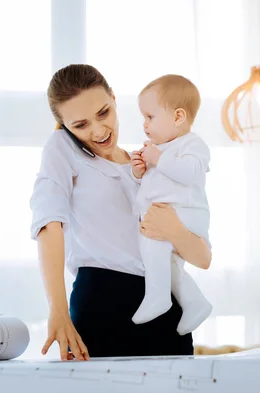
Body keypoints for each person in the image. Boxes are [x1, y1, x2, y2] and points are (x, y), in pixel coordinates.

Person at [29, 64, 212, 361]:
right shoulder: (62, 148)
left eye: (104, 113)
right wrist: (58, 312)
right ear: (64, 127)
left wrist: (174, 230)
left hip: (167, 308)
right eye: (80, 125)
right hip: (104, 303)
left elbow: (203, 258)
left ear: (114, 98)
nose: (99, 131)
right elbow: (49, 222)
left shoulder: (149, 164)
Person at [129, 75, 213, 336]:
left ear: (178, 117)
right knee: (168, 264)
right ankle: (194, 302)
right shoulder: (161, 148)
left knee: (152, 244)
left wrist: (159, 158)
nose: (144, 124)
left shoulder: (192, 144)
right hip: (170, 215)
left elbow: (193, 173)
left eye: (150, 117)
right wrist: (139, 172)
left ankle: (157, 296)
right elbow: (157, 184)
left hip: (187, 214)